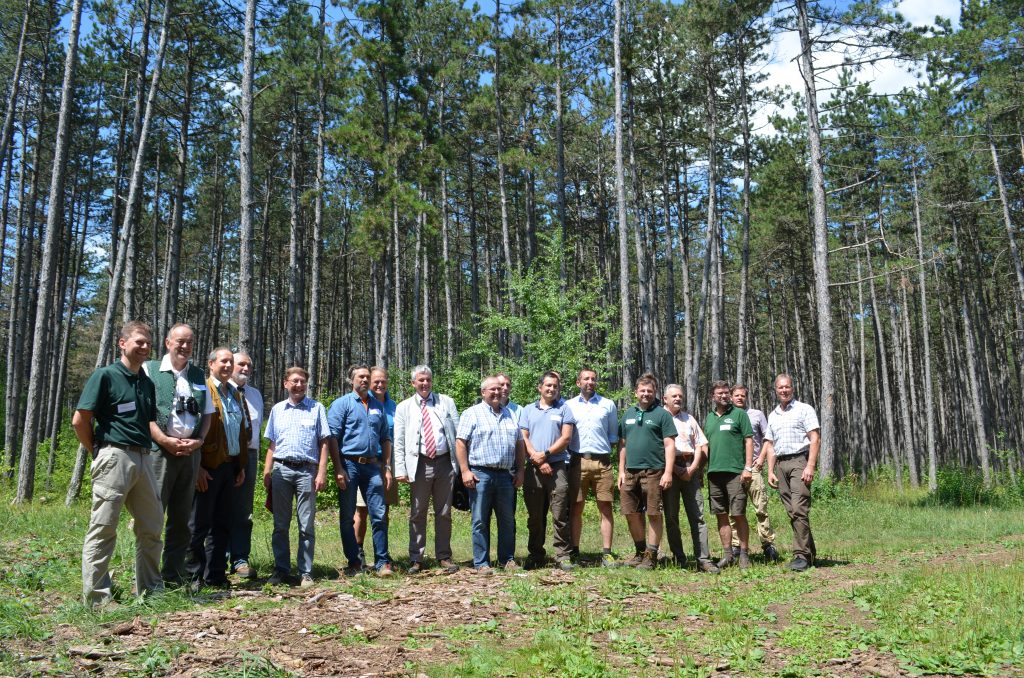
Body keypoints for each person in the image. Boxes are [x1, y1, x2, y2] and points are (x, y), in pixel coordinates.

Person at [73, 321, 163, 608]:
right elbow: (80, 420)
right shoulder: (106, 376)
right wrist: (98, 452)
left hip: (143, 458)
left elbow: (146, 422)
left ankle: (150, 590)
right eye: (139, 341)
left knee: (151, 525)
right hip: (114, 455)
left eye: (148, 342)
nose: (145, 346)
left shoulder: (146, 383)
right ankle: (98, 599)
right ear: (122, 343)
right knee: (104, 526)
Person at [143, 323, 214, 585]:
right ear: (167, 342)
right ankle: (148, 580)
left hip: (191, 454)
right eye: (180, 341)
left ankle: (172, 575)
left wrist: (199, 441)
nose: (184, 347)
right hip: (159, 453)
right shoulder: (150, 370)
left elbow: (207, 415)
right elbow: (145, 413)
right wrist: (163, 439)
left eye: (190, 342)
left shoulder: (198, 375)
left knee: (182, 519)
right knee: (153, 516)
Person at [263, 367, 334, 587]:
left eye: (303, 381)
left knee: (306, 525)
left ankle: (305, 572)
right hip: (281, 470)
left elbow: (324, 442)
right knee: (280, 524)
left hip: (307, 472)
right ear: (286, 384)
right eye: (295, 381)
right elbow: (272, 444)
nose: (299, 385)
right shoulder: (277, 409)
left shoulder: (317, 408)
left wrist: (322, 471)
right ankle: (281, 570)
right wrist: (267, 470)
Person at [187, 348, 250, 588]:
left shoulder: (234, 393)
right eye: (223, 361)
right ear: (211, 363)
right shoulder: (203, 390)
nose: (227, 365)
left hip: (229, 467)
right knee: (198, 524)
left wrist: (240, 465)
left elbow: (240, 432)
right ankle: (193, 576)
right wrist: (198, 467)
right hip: (208, 468)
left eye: (230, 362)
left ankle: (215, 575)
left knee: (222, 524)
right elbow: (193, 429)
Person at [394, 365, 461, 574]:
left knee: (444, 512)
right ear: (413, 383)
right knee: (417, 512)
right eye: (420, 380)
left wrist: (461, 465)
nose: (425, 383)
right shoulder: (403, 407)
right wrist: (400, 469)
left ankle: (444, 556)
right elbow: (399, 440)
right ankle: (416, 558)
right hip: (419, 464)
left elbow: (458, 434)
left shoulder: (446, 402)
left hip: (445, 463)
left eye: (428, 380)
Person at [455, 375, 526, 573]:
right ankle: (482, 562)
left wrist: (520, 470)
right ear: (483, 393)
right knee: (479, 520)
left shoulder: (511, 414)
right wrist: (465, 471)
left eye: (500, 389)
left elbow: (519, 444)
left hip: (505, 475)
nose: (497, 392)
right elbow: (460, 442)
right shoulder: (472, 413)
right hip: (480, 474)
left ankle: (507, 559)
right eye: (492, 389)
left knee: (507, 520)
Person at [328, 364, 394, 576]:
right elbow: (332, 439)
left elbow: (385, 437)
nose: (365, 380)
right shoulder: (342, 405)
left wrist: (386, 466)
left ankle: (382, 562)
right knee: (348, 515)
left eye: (367, 377)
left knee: (379, 514)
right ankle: (355, 562)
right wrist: (338, 468)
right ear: (352, 380)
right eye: (361, 377)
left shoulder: (377, 406)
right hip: (349, 465)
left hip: (373, 466)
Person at [617, 373, 675, 570]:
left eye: (649, 391)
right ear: (635, 393)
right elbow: (622, 445)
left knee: (653, 513)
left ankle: (651, 555)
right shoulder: (628, 414)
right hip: (630, 472)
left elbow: (669, 445)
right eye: (642, 391)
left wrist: (668, 472)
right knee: (630, 512)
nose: (646, 394)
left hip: (654, 471)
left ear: (655, 393)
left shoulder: (662, 415)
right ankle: (640, 551)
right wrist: (621, 471)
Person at [519, 371, 576, 570]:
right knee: (535, 516)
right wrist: (536, 458)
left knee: (560, 513)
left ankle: (563, 555)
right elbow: (523, 437)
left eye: (555, 386)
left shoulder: (564, 409)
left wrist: (545, 454)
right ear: (540, 387)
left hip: (557, 467)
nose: (551, 389)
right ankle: (536, 554)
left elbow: (566, 438)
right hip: (533, 469)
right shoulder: (527, 410)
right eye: (548, 385)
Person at [765, 373, 821, 572]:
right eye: (780, 387)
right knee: (793, 512)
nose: (784, 390)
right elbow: (770, 445)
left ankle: (801, 555)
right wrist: (770, 470)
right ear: (776, 390)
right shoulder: (773, 415)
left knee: (799, 509)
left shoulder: (804, 409)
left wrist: (810, 466)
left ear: (792, 388)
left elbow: (815, 438)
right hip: (780, 465)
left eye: (787, 387)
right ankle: (810, 553)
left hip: (799, 461)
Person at [661, 384, 720, 573]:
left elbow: (701, 446)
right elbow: (657, 448)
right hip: (668, 470)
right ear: (665, 399)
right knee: (671, 517)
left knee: (698, 516)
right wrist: (674, 469)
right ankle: (679, 558)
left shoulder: (689, 419)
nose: (678, 399)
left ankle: (703, 559)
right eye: (674, 396)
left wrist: (693, 468)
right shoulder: (659, 417)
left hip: (690, 469)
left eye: (680, 396)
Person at [566, 368, 618, 567]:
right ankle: (575, 551)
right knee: (576, 507)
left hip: (602, 462)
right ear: (578, 382)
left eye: (593, 379)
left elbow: (613, 436)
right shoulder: (568, 405)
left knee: (605, 507)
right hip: (577, 462)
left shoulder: (608, 405)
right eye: (586, 379)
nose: (590, 382)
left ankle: (607, 553)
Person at [704, 380, 754, 569]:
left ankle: (743, 554)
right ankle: (727, 554)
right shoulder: (709, 418)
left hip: (736, 472)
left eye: (726, 393)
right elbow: (705, 446)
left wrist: (747, 467)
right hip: (714, 474)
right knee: (721, 514)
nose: (724, 396)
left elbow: (749, 441)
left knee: (738, 514)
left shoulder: (739, 414)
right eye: (720, 393)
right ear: (713, 396)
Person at [352, 367, 398, 566]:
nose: (380, 385)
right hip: (365, 462)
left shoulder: (393, 406)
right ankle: (358, 551)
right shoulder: (363, 402)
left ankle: (382, 553)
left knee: (383, 510)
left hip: (386, 463)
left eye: (383, 381)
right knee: (361, 510)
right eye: (375, 381)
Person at [729, 385, 779, 562]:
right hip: (734, 469)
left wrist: (761, 459)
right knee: (735, 511)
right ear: (731, 397)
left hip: (754, 469)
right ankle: (737, 547)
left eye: (743, 395)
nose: (740, 398)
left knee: (761, 508)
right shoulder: (728, 416)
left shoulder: (757, 415)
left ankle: (768, 544)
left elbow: (767, 439)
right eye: (736, 395)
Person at [228, 351, 264, 579]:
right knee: (220, 508)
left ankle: (240, 559)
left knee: (243, 511)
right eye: (241, 364)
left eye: (249, 365)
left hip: (249, 456)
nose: (245, 369)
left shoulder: (255, 395)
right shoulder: (219, 390)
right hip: (225, 455)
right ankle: (217, 556)